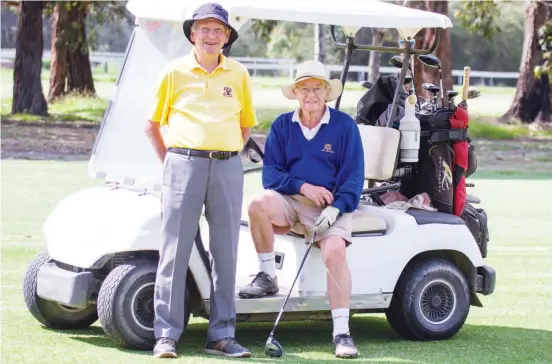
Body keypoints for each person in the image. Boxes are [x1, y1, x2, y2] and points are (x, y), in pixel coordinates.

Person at [145, 2, 257, 359]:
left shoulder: (238, 73)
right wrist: (175, 162)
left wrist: (222, 155)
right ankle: (166, 335)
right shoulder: (173, 72)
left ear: (227, 37)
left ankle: (221, 335)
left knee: (225, 252)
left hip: (226, 168)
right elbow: (152, 126)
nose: (211, 36)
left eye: (218, 30)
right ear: (192, 34)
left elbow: (245, 127)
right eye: (204, 29)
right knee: (174, 252)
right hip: (182, 165)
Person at [238, 60, 365, 359]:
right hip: (292, 202)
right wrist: (304, 187)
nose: (311, 95)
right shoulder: (283, 125)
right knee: (257, 204)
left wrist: (336, 208)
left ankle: (341, 333)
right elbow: (271, 176)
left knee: (334, 251)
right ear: (295, 92)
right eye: (304, 89)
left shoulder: (344, 126)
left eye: (317, 88)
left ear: (326, 93)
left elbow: (353, 178)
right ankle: (267, 276)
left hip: (332, 206)